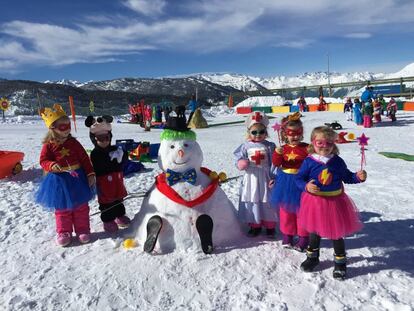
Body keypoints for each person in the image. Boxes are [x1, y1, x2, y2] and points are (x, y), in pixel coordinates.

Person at [295, 126, 367, 279]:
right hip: (315, 202)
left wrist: (358, 177)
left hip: (335, 202)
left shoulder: (337, 162)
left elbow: (347, 177)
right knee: (314, 231)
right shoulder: (309, 161)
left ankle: (340, 262)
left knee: (336, 233)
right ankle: (312, 258)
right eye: (320, 143)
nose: (324, 146)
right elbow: (298, 179)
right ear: (313, 143)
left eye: (329, 143)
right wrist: (306, 186)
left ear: (334, 144)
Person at [36, 104, 96, 247]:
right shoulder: (49, 145)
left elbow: (84, 159)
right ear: (52, 128)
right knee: (62, 208)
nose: (67, 129)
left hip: (77, 178)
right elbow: (43, 160)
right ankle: (64, 231)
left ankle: (82, 229)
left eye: (68, 125)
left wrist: (90, 173)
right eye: (63, 127)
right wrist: (51, 165)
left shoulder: (74, 143)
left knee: (81, 206)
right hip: (59, 180)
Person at [234, 111, 277, 237]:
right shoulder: (245, 146)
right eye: (254, 132)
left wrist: (274, 177)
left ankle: (270, 225)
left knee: (267, 200)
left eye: (261, 132)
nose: (258, 135)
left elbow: (274, 163)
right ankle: (255, 224)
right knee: (253, 199)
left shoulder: (270, 146)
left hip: (265, 177)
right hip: (251, 178)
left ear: (266, 132)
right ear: (249, 133)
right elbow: (238, 159)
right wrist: (240, 163)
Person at [85, 115, 130, 233]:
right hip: (104, 182)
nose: (105, 141)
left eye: (107, 137)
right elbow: (99, 166)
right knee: (106, 202)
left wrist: (122, 155)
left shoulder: (114, 148)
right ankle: (108, 220)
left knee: (119, 199)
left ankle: (120, 215)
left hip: (117, 180)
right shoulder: (95, 153)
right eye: (100, 138)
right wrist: (110, 158)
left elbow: (124, 158)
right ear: (94, 139)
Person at [270, 112, 308, 250]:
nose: (295, 136)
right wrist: (277, 154)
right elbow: (276, 163)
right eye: (291, 133)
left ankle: (304, 237)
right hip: (285, 182)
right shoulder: (283, 149)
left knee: (302, 210)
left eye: (298, 133)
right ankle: (288, 235)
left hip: (301, 182)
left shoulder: (306, 148)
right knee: (285, 210)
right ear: (285, 134)